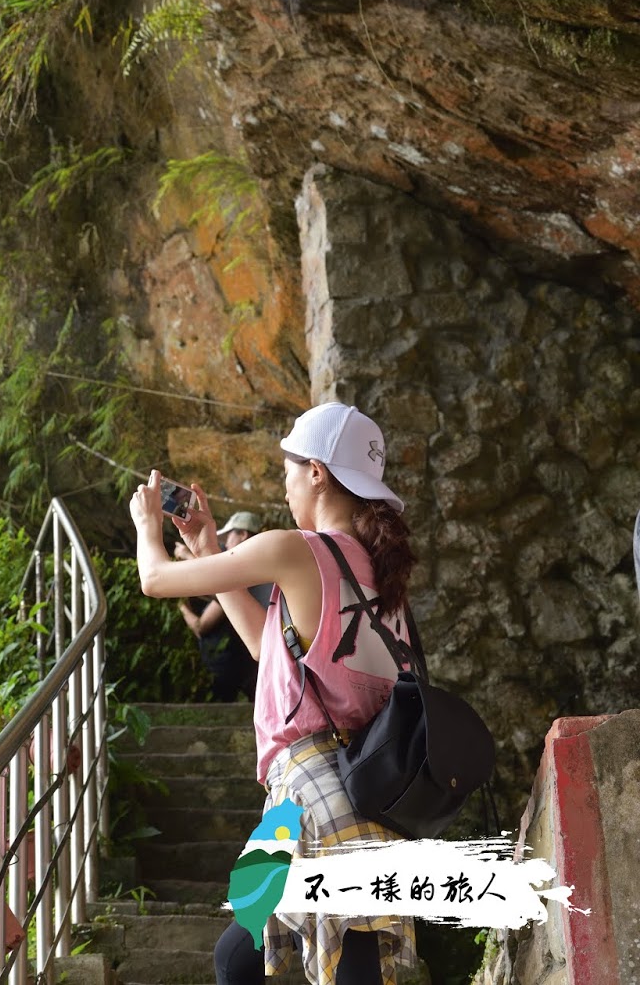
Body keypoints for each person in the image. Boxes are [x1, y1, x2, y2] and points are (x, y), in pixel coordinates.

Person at [130, 403, 420, 985]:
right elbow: (271, 653)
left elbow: (154, 579)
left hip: (318, 796)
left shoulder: (297, 549)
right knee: (238, 956)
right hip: (328, 794)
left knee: (344, 967)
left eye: (288, 468)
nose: (283, 484)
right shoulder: (375, 572)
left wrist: (146, 527)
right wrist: (209, 546)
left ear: (315, 471)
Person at [177, 512, 267, 702]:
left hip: (235, 666)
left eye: (229, 536)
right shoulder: (259, 562)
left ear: (242, 534)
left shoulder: (245, 566)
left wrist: (181, 607)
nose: (225, 543)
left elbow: (219, 579)